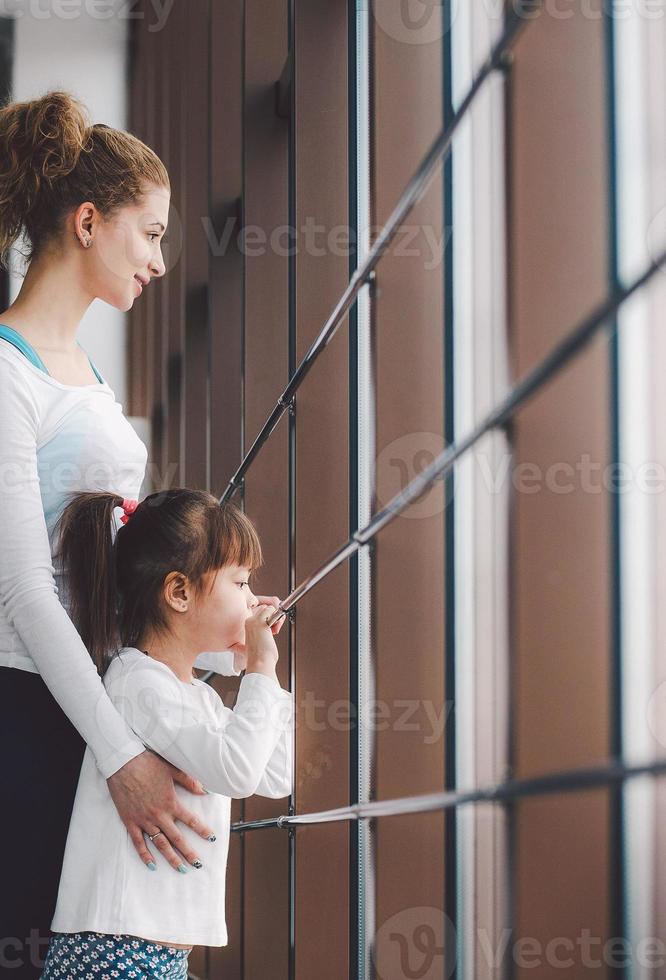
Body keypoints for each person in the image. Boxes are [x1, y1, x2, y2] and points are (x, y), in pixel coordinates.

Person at [0, 89, 287, 978]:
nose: (162, 260)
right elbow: (24, 591)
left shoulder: (79, 370)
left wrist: (204, 648)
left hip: (80, 703)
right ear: (88, 222)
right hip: (29, 710)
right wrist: (122, 751)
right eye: (152, 233)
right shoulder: (9, 375)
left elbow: (101, 580)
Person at [38, 488, 293, 978]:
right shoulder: (139, 684)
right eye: (240, 583)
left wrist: (261, 673)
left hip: (155, 953)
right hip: (113, 951)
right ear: (179, 593)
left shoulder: (194, 694)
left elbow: (274, 775)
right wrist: (260, 664)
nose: (250, 598)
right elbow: (238, 774)